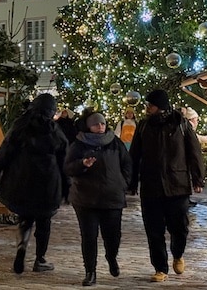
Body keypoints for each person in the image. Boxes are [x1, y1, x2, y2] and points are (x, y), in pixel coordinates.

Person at [0, 93, 68, 274]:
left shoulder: (20, 127)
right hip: (48, 184)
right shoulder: (54, 131)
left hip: (21, 181)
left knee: (25, 218)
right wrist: (67, 188)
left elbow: (4, 153)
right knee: (44, 222)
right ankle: (40, 259)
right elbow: (65, 161)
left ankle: (22, 246)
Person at [129, 89, 205, 283]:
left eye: (150, 105)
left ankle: (178, 254)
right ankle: (160, 268)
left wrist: (197, 178)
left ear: (160, 107)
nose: (147, 109)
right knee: (153, 230)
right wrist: (131, 182)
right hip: (151, 185)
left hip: (177, 185)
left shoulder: (181, 124)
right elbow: (135, 155)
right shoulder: (144, 126)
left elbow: (194, 152)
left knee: (179, 227)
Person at [64, 112, 132, 287]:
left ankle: (111, 257)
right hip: (86, 199)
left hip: (112, 197)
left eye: (102, 124)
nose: (100, 127)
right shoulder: (79, 144)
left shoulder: (114, 142)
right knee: (89, 237)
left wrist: (123, 183)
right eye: (96, 124)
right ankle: (90, 271)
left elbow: (127, 163)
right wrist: (82, 165)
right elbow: (67, 167)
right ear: (88, 126)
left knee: (113, 236)